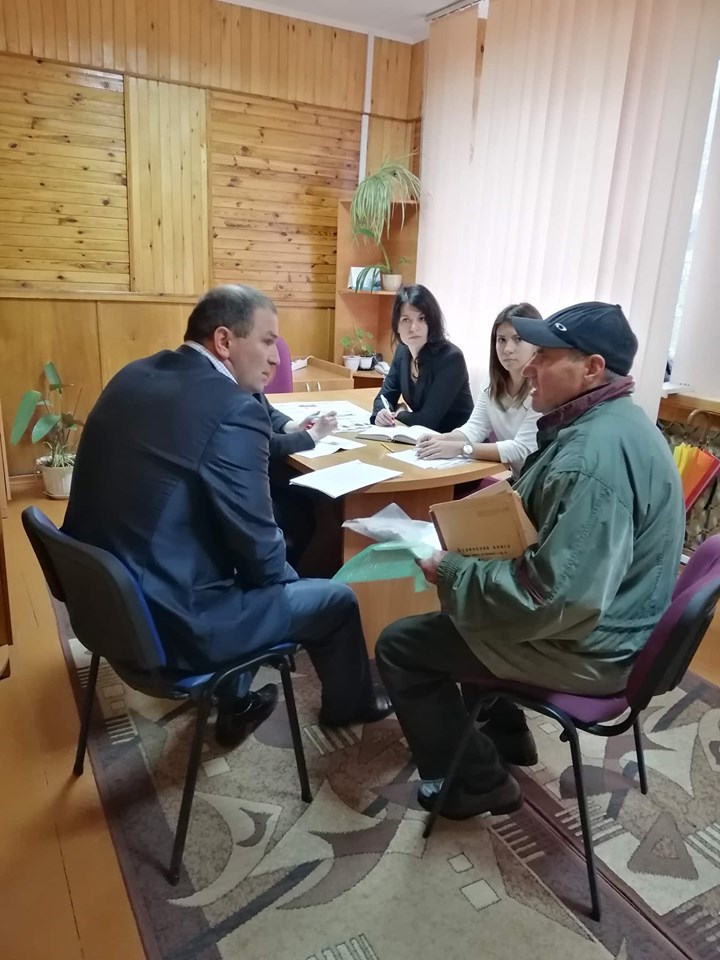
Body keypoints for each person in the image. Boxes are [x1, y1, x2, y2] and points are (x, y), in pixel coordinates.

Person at [375, 302, 685, 820]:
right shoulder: (617, 422)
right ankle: (508, 734)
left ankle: (477, 783)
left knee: (402, 645)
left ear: (592, 369)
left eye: (545, 356)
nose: (529, 366)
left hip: (591, 645)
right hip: (611, 621)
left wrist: (450, 570)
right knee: (470, 608)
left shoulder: (592, 458)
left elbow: (551, 598)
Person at [63, 284, 392, 749]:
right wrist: (291, 584)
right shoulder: (233, 408)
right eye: (267, 341)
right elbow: (261, 558)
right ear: (223, 341)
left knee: (256, 558)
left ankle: (236, 701)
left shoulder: (132, 375)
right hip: (171, 625)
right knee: (334, 600)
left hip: (104, 601)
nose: (276, 357)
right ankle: (349, 705)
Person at [415, 303, 542, 479]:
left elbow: (521, 449)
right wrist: (442, 439)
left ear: (536, 343)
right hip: (516, 478)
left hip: (540, 484)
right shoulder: (492, 382)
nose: (507, 349)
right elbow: (475, 427)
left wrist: (461, 449)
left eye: (518, 339)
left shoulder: (542, 389)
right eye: (501, 339)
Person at [370, 284, 474, 433]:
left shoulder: (451, 358)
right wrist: (381, 414)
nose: (413, 327)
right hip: (423, 440)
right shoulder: (402, 351)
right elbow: (385, 396)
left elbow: (427, 421)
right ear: (397, 326)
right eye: (405, 320)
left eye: (422, 318)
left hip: (456, 441)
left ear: (432, 322)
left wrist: (400, 413)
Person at [257, 393, 337, 569]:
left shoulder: (244, 385)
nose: (270, 381)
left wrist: (293, 426)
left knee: (313, 499)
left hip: (264, 476)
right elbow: (265, 443)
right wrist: (313, 435)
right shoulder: (229, 392)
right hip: (247, 489)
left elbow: (268, 410)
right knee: (305, 506)